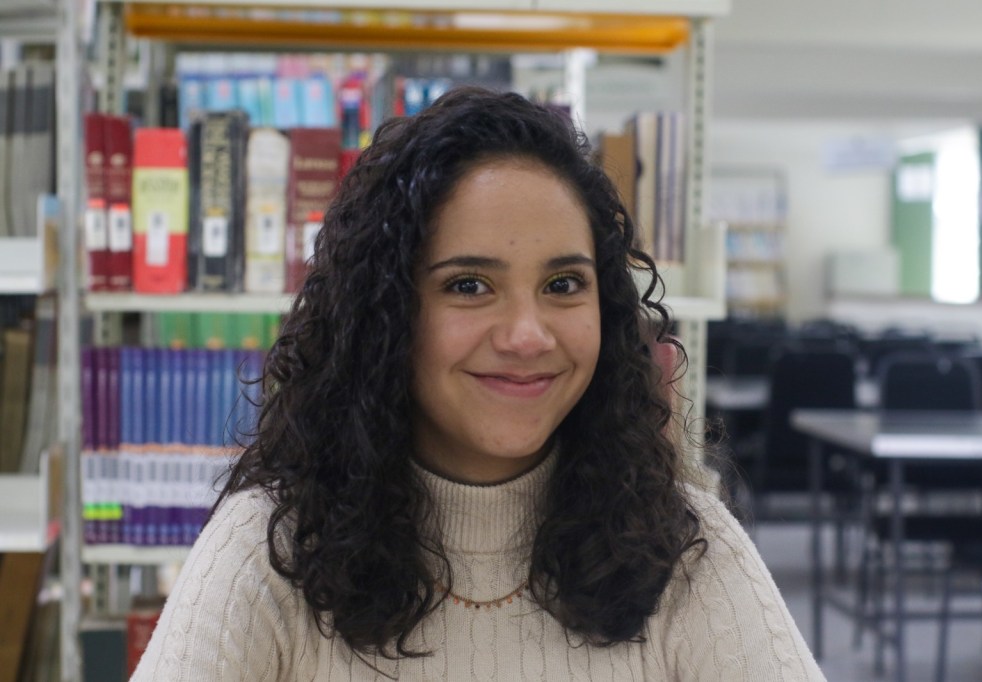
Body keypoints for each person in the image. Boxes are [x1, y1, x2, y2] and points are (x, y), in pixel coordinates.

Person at [133, 87, 825, 681]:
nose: (528, 334)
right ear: (389, 315)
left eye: (563, 285)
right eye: (469, 285)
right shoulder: (268, 549)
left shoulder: (685, 545)